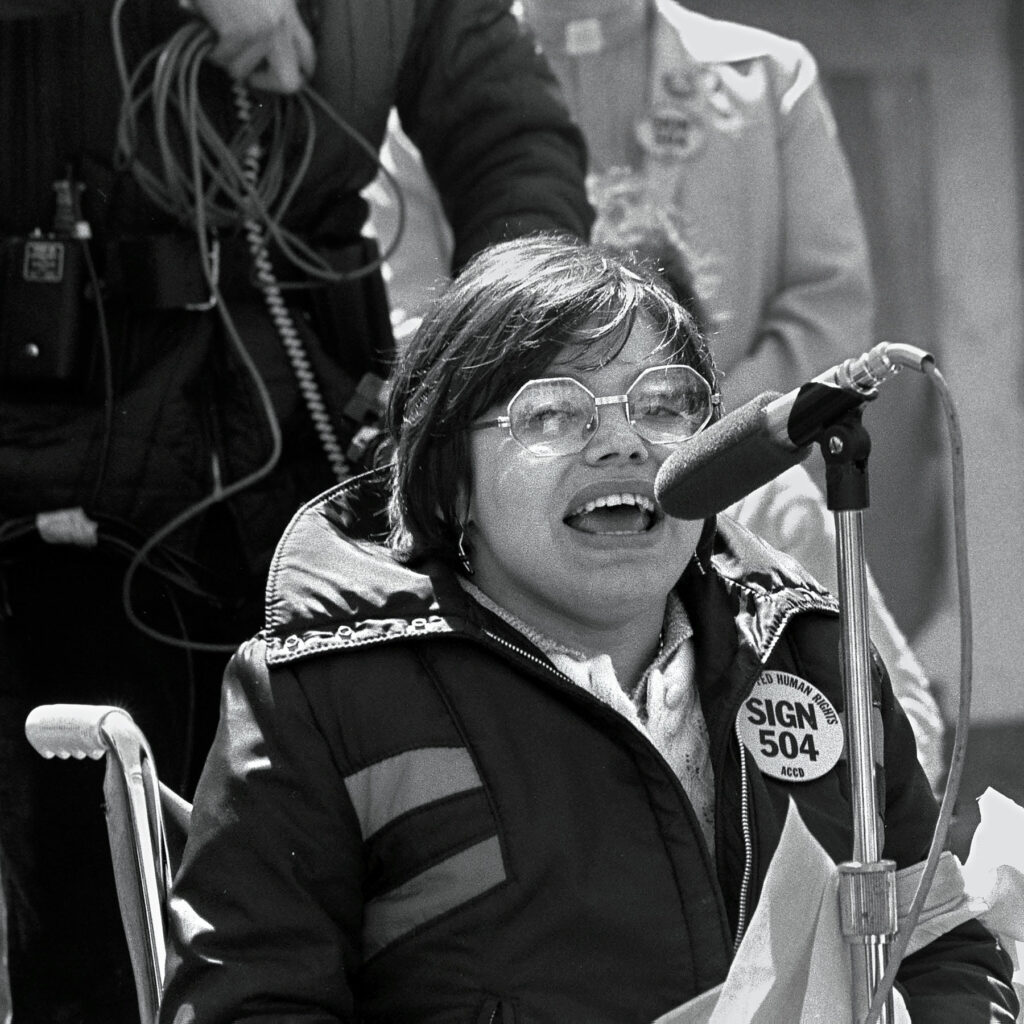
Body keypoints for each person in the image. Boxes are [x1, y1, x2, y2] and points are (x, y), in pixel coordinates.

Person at [160, 236, 1017, 1023]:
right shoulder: (319, 695)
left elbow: (942, 950)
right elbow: (250, 1001)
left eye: (665, 404)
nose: (623, 445)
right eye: (552, 413)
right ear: (449, 480)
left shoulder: (815, 652)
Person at [0, 2, 591, 1020]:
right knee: (90, 937)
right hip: (60, 503)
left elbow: (512, 137)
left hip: (318, 481)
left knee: (338, 917)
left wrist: (490, 363)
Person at [364, 0, 947, 788]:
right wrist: (552, 434)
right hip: (517, 494)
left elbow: (825, 304)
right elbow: (422, 337)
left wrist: (697, 451)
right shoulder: (434, 85)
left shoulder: (767, 77)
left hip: (738, 477)